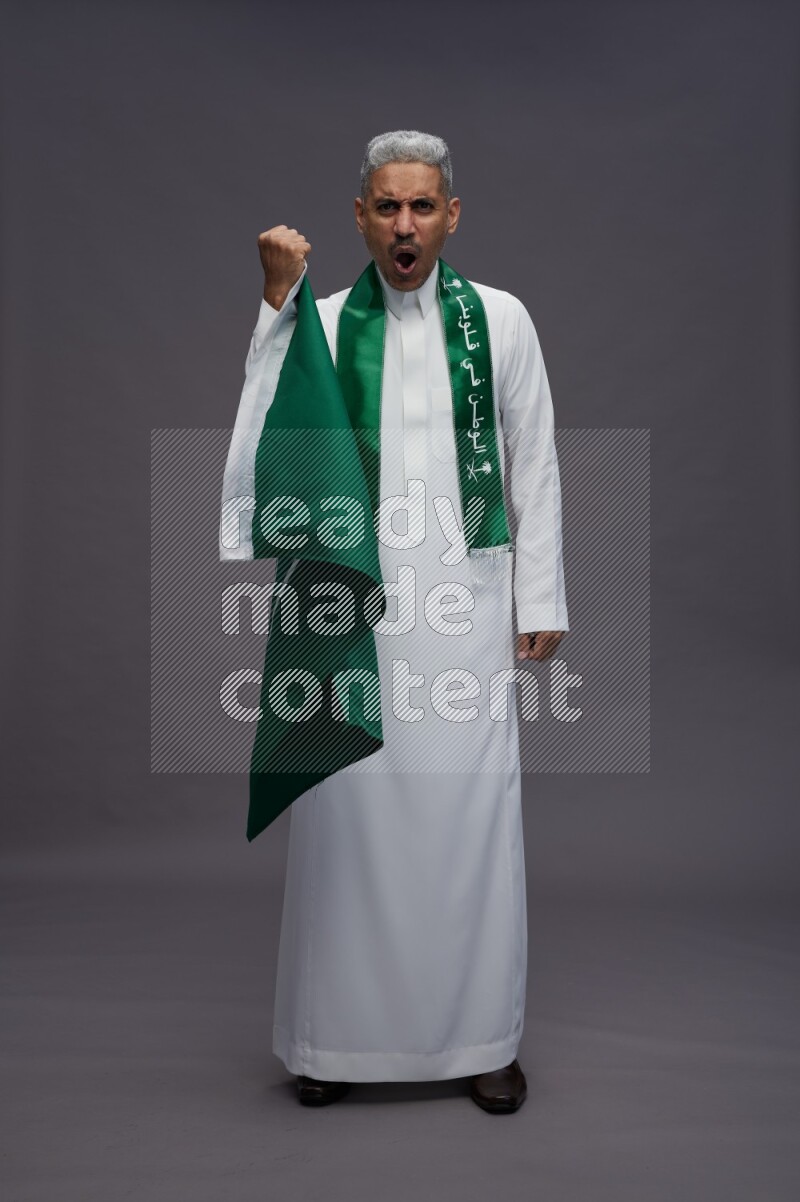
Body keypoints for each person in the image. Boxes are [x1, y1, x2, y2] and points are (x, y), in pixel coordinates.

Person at [219, 130, 569, 1114]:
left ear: (450, 215)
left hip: (464, 601)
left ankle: (479, 1039)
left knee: (469, 818)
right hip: (351, 604)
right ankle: (335, 1039)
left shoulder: (499, 321)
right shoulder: (323, 320)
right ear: (360, 217)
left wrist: (538, 595)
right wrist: (276, 298)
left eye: (422, 206)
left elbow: (531, 456)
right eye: (386, 206)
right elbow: (269, 443)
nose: (404, 224)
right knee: (349, 812)